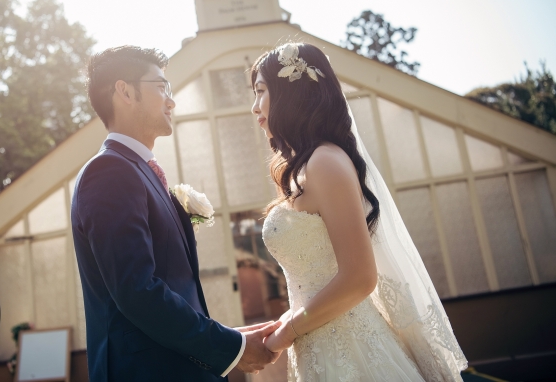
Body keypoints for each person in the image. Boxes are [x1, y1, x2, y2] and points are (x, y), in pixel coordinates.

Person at [250, 43, 467, 381]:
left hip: (355, 354)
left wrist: (288, 332)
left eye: (261, 91)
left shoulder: (325, 162)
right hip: (318, 345)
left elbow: (360, 278)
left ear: (289, 94)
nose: (254, 107)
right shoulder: (304, 167)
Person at [71, 45, 280, 381]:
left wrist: (230, 337)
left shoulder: (137, 171)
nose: (172, 100)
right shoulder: (109, 172)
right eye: (161, 87)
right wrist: (231, 348)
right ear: (124, 91)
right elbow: (138, 292)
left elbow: (173, 289)